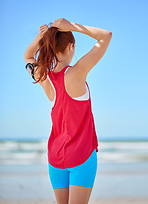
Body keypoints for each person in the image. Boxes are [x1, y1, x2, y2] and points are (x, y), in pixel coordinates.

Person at [24, 18, 112, 204]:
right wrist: (72, 26)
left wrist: (40, 38)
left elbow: (28, 57)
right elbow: (105, 36)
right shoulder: (76, 73)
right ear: (71, 46)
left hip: (55, 158)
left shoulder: (43, 77)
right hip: (81, 156)